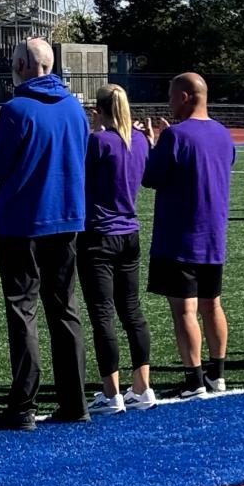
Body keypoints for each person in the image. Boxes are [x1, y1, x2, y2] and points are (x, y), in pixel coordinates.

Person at [0, 37, 90, 430]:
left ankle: (23, 404)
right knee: (64, 308)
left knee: (22, 309)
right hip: (67, 218)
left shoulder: (15, 110)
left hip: (22, 222)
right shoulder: (75, 109)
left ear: (25, 65)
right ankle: (74, 401)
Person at [139, 73, 236, 399]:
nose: (169, 102)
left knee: (184, 311)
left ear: (184, 97)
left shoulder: (176, 136)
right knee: (213, 305)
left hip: (179, 235)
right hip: (213, 235)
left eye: (171, 95)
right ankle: (217, 374)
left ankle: (193, 379)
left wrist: (153, 144)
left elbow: (150, 177)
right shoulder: (224, 135)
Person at [78, 84, 155, 415]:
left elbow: (78, 177)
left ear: (99, 110)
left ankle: (112, 393)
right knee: (132, 311)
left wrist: (94, 131)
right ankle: (142, 386)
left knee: (103, 314)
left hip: (98, 235)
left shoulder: (98, 142)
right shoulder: (138, 140)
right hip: (129, 233)